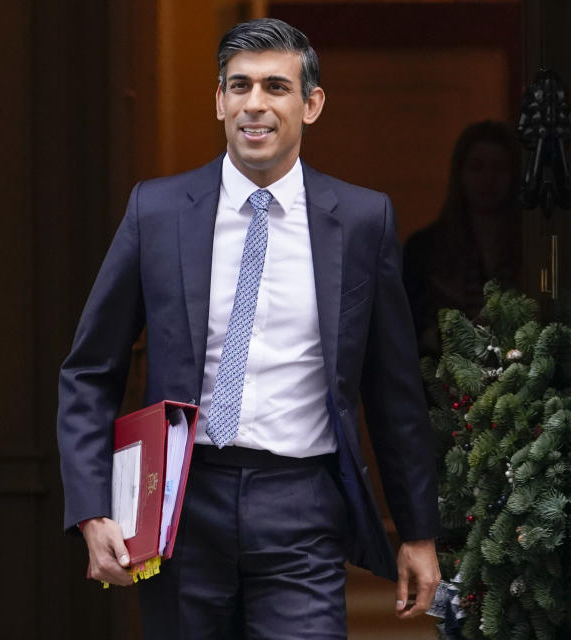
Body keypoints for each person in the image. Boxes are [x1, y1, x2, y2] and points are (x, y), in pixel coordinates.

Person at [57, 18, 440, 639]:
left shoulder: (363, 220)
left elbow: (393, 390)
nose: (254, 104)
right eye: (239, 86)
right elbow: (89, 371)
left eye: (275, 87)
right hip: (180, 506)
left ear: (311, 104)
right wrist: (93, 507)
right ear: (218, 101)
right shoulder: (155, 212)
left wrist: (418, 531)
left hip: (303, 507)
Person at [403, 121, 522, 352]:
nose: (488, 180)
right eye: (477, 167)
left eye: (499, 168)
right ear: (460, 172)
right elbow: (409, 330)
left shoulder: (531, 246)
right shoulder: (424, 248)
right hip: (442, 378)